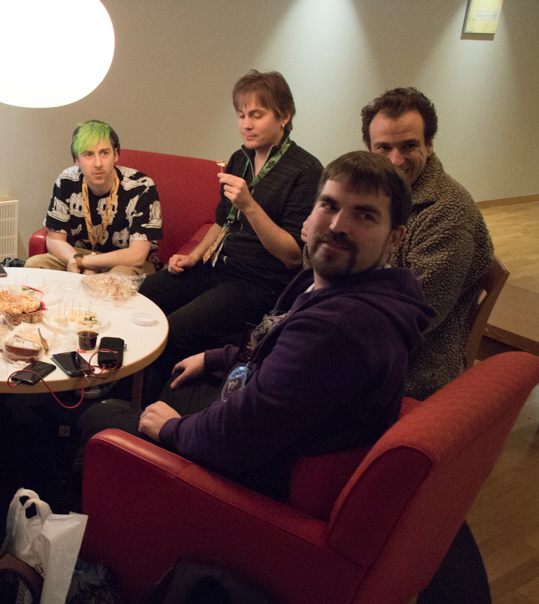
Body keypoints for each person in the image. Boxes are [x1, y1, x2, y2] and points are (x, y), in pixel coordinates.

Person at [78, 152, 433, 501]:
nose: (339, 226)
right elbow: (278, 360)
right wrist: (219, 357)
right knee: (169, 378)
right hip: (251, 418)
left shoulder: (337, 330)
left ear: (395, 237)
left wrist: (172, 429)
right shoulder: (338, 288)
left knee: (102, 418)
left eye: (365, 215)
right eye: (329, 206)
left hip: (250, 483)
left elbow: (238, 440)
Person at [138, 71, 322, 376]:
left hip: (258, 282)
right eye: (241, 115)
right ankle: (111, 389)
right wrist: (193, 256)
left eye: (257, 115)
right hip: (217, 266)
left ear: (284, 116)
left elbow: (292, 255)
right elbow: (221, 222)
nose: (246, 125)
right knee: (141, 298)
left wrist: (249, 205)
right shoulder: (240, 158)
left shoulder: (306, 171)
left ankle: (149, 407)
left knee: (173, 330)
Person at [361, 87, 494, 400]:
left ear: (430, 144)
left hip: (414, 368)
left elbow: (417, 314)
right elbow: (319, 264)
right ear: (368, 148)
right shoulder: (370, 193)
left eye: (409, 146)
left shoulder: (450, 210)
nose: (395, 160)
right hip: (363, 336)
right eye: (383, 148)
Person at [25, 120, 161, 276]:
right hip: (82, 254)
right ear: (77, 160)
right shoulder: (66, 180)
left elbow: (137, 256)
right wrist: (75, 260)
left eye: (104, 153)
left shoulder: (141, 186)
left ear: (115, 155)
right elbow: (54, 239)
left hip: (127, 261)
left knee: (113, 280)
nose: (98, 163)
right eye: (88, 154)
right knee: (34, 265)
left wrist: (87, 263)